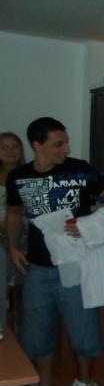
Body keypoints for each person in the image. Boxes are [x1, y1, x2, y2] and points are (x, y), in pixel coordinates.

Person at [7, 117, 104, 386]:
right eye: (58, 144)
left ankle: (85, 384)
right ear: (38, 145)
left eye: (66, 142)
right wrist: (12, 247)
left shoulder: (79, 169)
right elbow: (14, 212)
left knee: (82, 327)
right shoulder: (19, 176)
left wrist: (89, 223)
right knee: (37, 330)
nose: (66, 148)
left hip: (75, 263)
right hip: (38, 266)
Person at [0, 132, 26, 335]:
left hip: (25, 238)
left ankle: (20, 338)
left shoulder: (29, 175)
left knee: (22, 293)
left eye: (15, 146)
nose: (10, 151)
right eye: (4, 147)